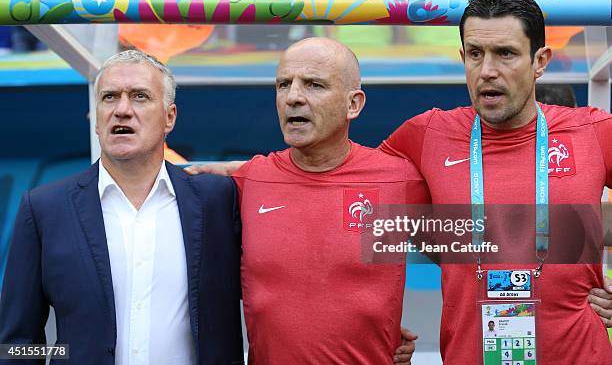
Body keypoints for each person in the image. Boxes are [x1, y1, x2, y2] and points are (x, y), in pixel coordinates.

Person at [380, 0, 612, 364]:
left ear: (540, 61)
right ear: (463, 57)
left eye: (505, 54)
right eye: (476, 54)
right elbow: (351, 195)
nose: (487, 71)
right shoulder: (426, 135)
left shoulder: (593, 132)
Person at [0, 50, 244, 365]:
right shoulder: (44, 209)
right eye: (110, 97)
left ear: (169, 117)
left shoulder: (218, 201)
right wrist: (66, 354)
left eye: (140, 97)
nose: (122, 110)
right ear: (95, 117)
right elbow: (16, 345)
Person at [226, 37, 428, 364]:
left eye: (314, 85)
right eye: (283, 85)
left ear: (354, 104)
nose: (293, 97)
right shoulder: (247, 182)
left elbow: (484, 252)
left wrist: (377, 328)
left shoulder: (398, 180)